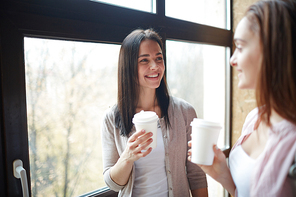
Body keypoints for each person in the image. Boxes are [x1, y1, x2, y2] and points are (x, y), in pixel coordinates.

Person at [188, 0, 296, 196]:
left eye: (240, 46)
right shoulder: (255, 118)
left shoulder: (292, 143)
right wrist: (222, 174)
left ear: (271, 50)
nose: (232, 59)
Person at [101, 28, 208, 197]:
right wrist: (127, 157)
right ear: (128, 66)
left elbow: (196, 174)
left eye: (159, 58)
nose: (155, 66)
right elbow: (113, 184)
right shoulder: (112, 118)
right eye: (144, 60)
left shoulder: (185, 112)